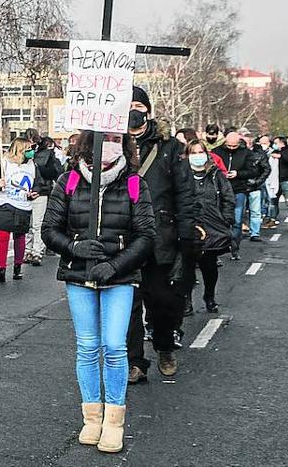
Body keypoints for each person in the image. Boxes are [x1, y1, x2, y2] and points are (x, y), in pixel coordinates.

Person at [41, 130, 155, 455]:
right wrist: (75, 247)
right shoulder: (69, 181)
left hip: (118, 278)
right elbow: (49, 230)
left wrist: (116, 265)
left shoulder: (135, 184)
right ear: (88, 144)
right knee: (88, 347)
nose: (111, 144)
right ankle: (92, 417)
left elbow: (146, 236)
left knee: (115, 347)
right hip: (78, 275)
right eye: (104, 138)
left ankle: (114, 421)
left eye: (117, 139)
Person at [123, 86, 200, 382]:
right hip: (124, 237)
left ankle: (165, 346)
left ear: (147, 110)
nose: (133, 111)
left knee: (161, 301)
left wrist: (186, 239)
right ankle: (135, 362)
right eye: (127, 105)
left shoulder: (168, 148)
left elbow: (184, 194)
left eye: (138, 105)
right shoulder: (111, 144)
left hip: (160, 236)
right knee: (128, 302)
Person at [184, 139, 233, 313]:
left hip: (212, 227)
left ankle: (209, 296)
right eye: (193, 153)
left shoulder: (215, 174)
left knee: (209, 267)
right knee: (187, 267)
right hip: (189, 226)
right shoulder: (182, 175)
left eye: (200, 152)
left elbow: (227, 197)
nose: (197, 156)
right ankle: (187, 301)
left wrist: (226, 219)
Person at [0, 137, 37, 283]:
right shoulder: (4, 164)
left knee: (20, 237)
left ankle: (17, 266)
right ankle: (1, 268)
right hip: (4, 204)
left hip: (22, 204)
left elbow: (39, 183)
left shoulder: (32, 165)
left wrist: (35, 192)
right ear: (19, 150)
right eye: (28, 149)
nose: (31, 152)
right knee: (2, 236)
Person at [213, 129, 263, 254]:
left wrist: (238, 174)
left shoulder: (245, 153)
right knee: (219, 218)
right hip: (220, 189)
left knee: (237, 219)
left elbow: (254, 171)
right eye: (229, 145)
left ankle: (234, 246)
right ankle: (220, 245)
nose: (231, 148)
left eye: (234, 146)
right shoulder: (217, 152)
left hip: (238, 189)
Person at [28, 134, 63, 266]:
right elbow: (57, 173)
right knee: (38, 224)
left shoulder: (34, 157)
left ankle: (29, 251)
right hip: (43, 192)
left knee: (31, 225)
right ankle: (37, 252)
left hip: (30, 192)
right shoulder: (51, 158)